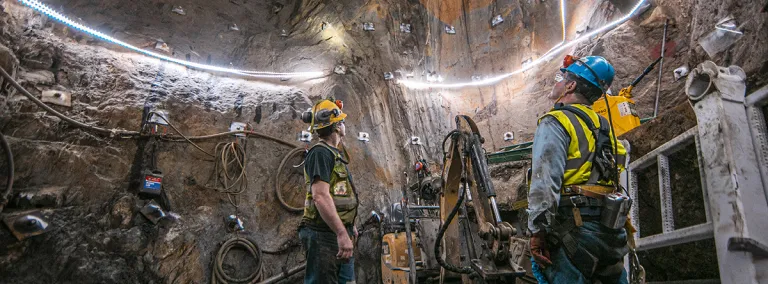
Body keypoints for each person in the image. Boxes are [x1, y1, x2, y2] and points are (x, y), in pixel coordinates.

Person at [527, 55, 629, 283]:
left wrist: (537, 232)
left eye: (561, 78)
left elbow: (545, 183)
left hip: (574, 230)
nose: (558, 83)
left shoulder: (556, 122)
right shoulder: (605, 128)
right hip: (611, 233)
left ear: (571, 85)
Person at [299, 99, 359, 284]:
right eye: (342, 121)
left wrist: (348, 225)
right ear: (337, 127)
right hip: (324, 235)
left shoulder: (333, 153)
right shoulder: (321, 153)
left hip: (336, 231)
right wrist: (341, 232)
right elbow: (320, 196)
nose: (344, 125)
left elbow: (335, 194)